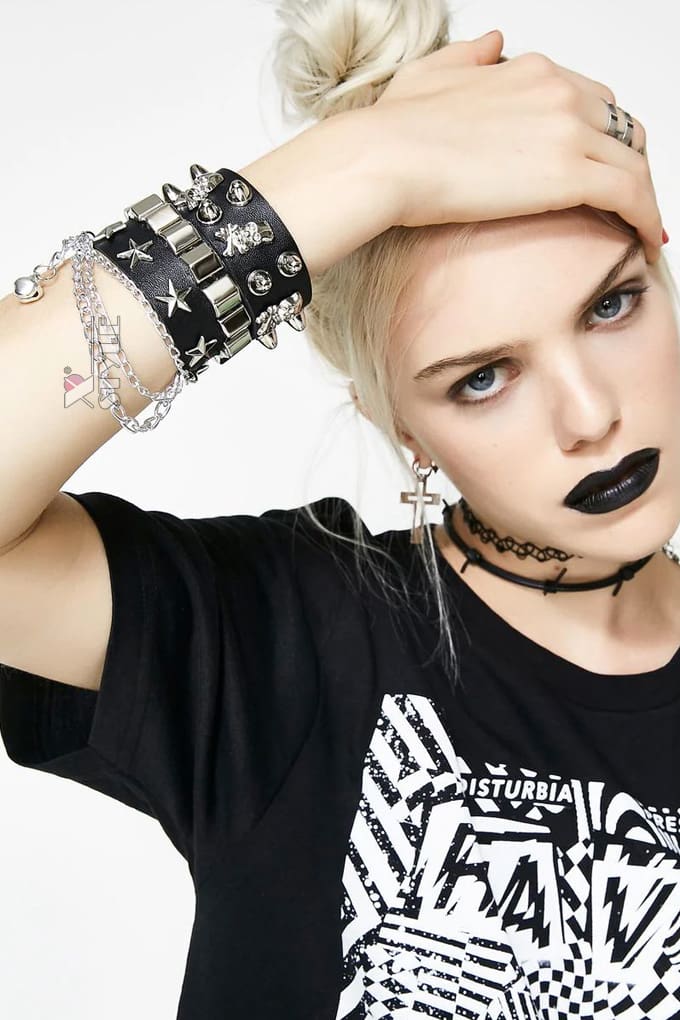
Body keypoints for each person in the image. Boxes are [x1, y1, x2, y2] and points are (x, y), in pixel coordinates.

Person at [0, 0, 675, 1016]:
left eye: (611, 305)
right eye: (482, 377)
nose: (590, 416)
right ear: (401, 425)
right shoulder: (283, 638)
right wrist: (364, 166)